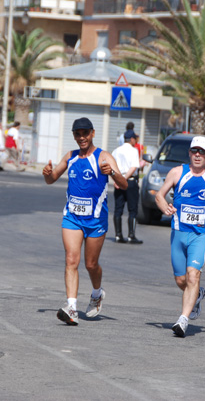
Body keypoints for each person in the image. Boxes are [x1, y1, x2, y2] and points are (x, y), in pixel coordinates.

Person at [43, 117, 127, 326]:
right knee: (71, 260)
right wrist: (47, 174)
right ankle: (71, 307)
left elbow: (124, 184)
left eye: (85, 133)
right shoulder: (70, 157)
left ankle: (97, 293)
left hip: (96, 220)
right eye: (77, 134)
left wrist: (113, 173)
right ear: (74, 136)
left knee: (91, 265)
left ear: (92, 134)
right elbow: (52, 179)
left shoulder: (103, 157)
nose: (81, 137)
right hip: (72, 217)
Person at [155, 136, 205, 338]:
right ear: (189, 153)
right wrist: (164, 207)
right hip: (179, 233)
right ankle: (197, 295)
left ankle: (183, 320)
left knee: (193, 275)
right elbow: (159, 195)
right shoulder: (177, 172)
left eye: (202, 152)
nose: (197, 155)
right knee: (181, 280)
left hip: (201, 235)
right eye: (194, 151)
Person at [112, 128, 143, 244]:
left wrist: (117, 180)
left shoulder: (116, 151)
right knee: (132, 210)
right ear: (131, 139)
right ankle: (131, 235)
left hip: (118, 182)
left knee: (118, 209)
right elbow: (134, 167)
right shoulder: (133, 151)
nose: (136, 141)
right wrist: (123, 179)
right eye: (135, 138)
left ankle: (118, 235)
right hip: (129, 181)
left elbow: (111, 167)